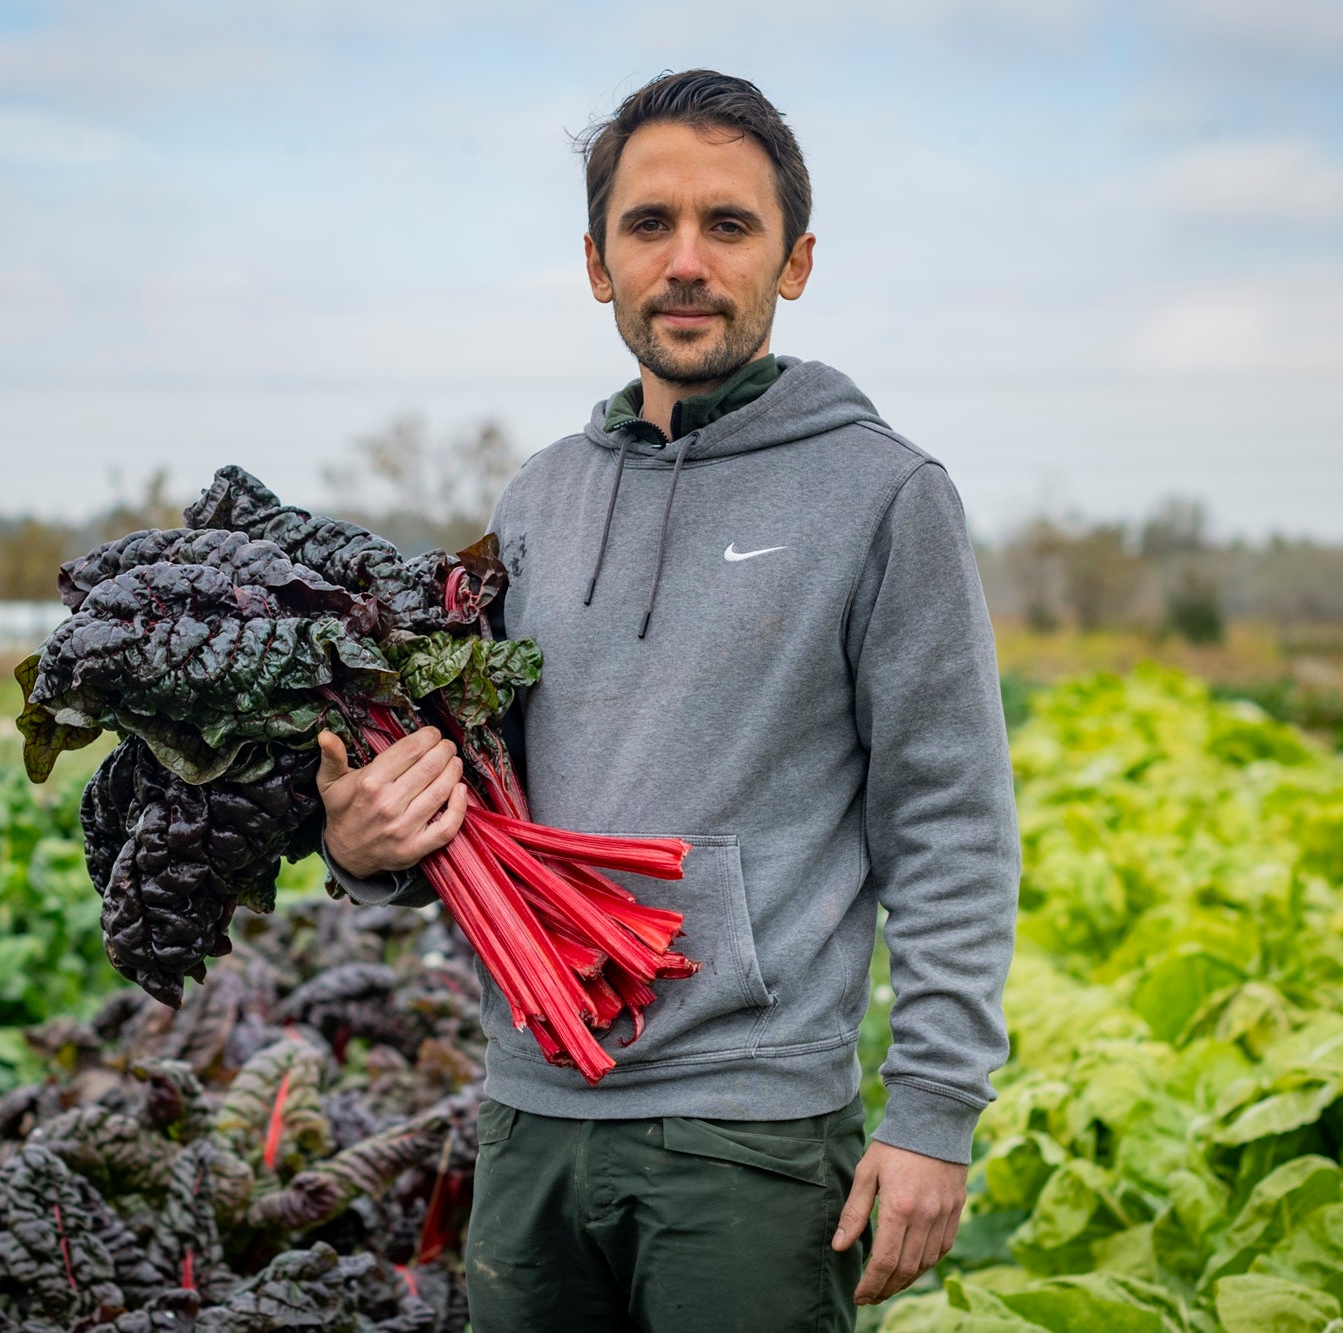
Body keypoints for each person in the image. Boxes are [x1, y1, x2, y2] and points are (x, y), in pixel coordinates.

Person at [314, 69, 1020, 1333]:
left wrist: (933, 1114)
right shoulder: (536, 500)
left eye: (727, 226)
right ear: (597, 263)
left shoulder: (883, 496)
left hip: (748, 1135)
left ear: (793, 262)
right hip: (528, 1114)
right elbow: (481, 803)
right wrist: (362, 847)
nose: (685, 261)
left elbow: (951, 825)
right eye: (649, 226)